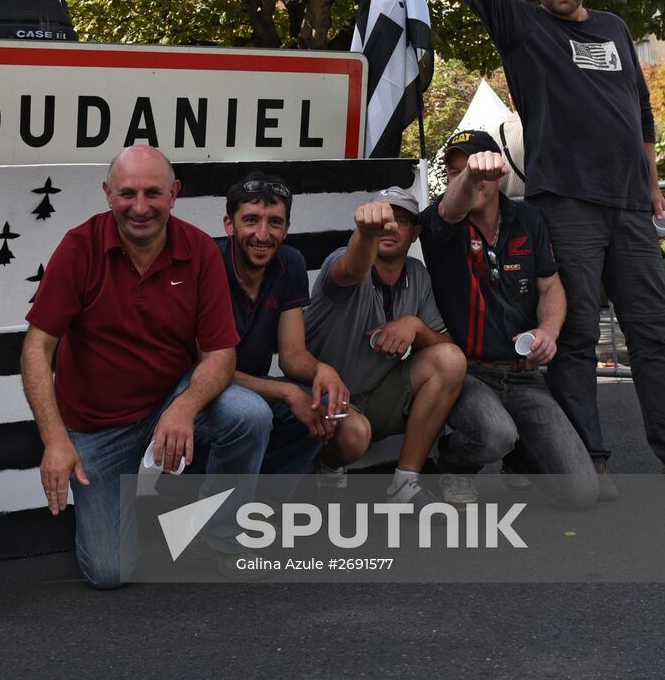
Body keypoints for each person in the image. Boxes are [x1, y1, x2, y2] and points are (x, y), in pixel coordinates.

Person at [398, 0, 665, 488]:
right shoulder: (523, 26)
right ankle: (589, 458)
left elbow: (640, 110)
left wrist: (652, 183)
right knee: (578, 338)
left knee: (653, 334)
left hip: (631, 207)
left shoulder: (615, 28)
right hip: (566, 203)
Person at [21, 145, 272, 588]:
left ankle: (217, 537)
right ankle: (140, 509)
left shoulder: (198, 249)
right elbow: (36, 349)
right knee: (109, 573)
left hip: (167, 401)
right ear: (107, 193)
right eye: (127, 193)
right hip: (96, 429)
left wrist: (184, 407)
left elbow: (220, 354)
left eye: (153, 193)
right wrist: (55, 440)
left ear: (174, 194)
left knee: (249, 415)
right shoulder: (79, 247)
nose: (140, 207)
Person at [420, 130, 599, 508]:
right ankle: (449, 463)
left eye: (473, 166)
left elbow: (551, 287)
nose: (463, 176)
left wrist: (548, 331)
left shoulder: (528, 219)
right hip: (467, 373)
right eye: (454, 172)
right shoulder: (441, 222)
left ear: (499, 171)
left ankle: (516, 454)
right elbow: (450, 210)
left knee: (582, 493)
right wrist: (469, 177)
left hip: (524, 374)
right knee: (494, 433)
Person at [303, 188, 467, 504]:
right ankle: (327, 466)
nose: (388, 228)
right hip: (326, 398)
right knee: (355, 435)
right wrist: (367, 233)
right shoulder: (345, 261)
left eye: (400, 220)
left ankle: (404, 485)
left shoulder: (417, 274)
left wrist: (415, 327)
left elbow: (447, 345)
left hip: (379, 395)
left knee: (450, 360)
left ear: (416, 232)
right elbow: (352, 268)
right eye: (382, 218)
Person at [218, 172, 348, 475]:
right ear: (229, 225)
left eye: (274, 222)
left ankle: (265, 503)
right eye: (251, 220)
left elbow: (292, 356)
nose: (263, 235)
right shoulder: (209, 262)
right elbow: (203, 369)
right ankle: (216, 510)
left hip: (251, 387)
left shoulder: (290, 263)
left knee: (322, 404)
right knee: (253, 413)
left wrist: (321, 369)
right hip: (203, 387)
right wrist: (288, 393)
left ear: (287, 228)